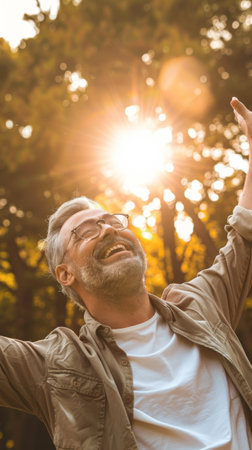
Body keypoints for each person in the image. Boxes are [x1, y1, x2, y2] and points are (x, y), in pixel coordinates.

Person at [0, 98, 252, 450]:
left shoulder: (201, 305)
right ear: (65, 274)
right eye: (86, 230)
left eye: (112, 220)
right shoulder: (59, 364)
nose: (107, 230)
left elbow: (244, 234)